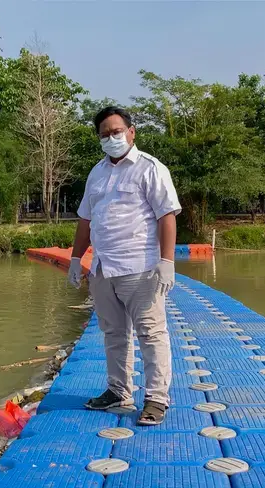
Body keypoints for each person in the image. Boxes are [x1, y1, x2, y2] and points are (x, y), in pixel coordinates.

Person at [67, 106, 181, 426]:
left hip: (140, 267)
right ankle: (119, 391)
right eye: (105, 135)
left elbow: (166, 215)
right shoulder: (97, 173)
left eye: (116, 132)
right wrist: (77, 258)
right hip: (103, 267)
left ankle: (157, 399)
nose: (112, 138)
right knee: (114, 333)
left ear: (131, 132)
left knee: (150, 333)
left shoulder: (150, 169)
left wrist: (167, 261)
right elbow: (86, 219)